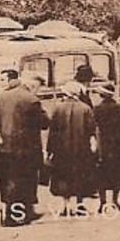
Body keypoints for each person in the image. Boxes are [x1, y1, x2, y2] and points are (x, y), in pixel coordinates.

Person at [0, 67, 47, 226]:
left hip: (5, 147)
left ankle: (9, 214)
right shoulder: (31, 99)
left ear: (10, 80)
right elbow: (44, 123)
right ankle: (22, 214)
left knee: (7, 180)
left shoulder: (0, 97)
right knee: (26, 180)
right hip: (27, 148)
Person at [46, 80, 98, 218]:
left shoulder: (57, 108)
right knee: (81, 175)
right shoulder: (86, 108)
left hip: (61, 149)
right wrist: (93, 146)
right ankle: (80, 205)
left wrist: (50, 150)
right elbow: (91, 130)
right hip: (81, 149)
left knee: (64, 176)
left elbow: (53, 131)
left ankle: (66, 206)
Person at [92, 82, 120, 212]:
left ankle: (102, 202)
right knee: (117, 173)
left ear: (101, 95)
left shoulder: (97, 109)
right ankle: (115, 200)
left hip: (103, 145)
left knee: (101, 174)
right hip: (118, 146)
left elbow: (94, 127)